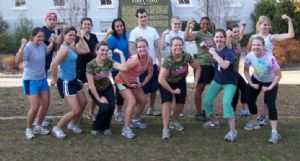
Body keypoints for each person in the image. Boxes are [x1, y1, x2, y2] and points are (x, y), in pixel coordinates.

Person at [246, 15, 294, 126]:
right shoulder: (253, 37)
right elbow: (249, 49)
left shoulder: (271, 37)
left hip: (270, 74)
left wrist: (289, 20)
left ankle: (263, 117)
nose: (266, 27)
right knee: (250, 97)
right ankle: (256, 118)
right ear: (259, 25)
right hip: (258, 73)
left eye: (268, 25)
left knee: (268, 100)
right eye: (264, 24)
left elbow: (290, 35)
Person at [15, 27, 55, 140]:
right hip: (30, 80)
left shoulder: (42, 45)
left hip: (42, 79)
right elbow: (17, 61)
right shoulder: (28, 47)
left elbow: (47, 50)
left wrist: (52, 42)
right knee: (35, 106)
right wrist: (22, 46)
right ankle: (28, 129)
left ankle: (38, 126)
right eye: (39, 36)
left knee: (46, 103)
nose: (41, 38)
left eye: (42, 36)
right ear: (32, 37)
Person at [50, 26, 90, 139]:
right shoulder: (64, 49)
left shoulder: (71, 46)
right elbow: (53, 65)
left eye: (74, 35)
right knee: (75, 110)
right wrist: (54, 78)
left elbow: (86, 50)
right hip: (66, 82)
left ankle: (72, 124)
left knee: (83, 102)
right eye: (70, 35)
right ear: (64, 35)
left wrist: (81, 37)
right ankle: (57, 128)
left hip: (74, 80)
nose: (72, 37)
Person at [158, 37, 200, 140]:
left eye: (180, 45)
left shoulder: (186, 56)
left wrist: (195, 81)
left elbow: (198, 67)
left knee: (180, 103)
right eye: (175, 45)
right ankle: (165, 129)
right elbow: (161, 79)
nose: (178, 47)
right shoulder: (168, 60)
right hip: (165, 82)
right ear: (171, 47)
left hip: (179, 81)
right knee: (167, 102)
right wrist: (171, 91)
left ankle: (174, 121)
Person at [243, 36, 282, 144]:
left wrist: (270, 87)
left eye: (258, 45)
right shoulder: (249, 56)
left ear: (263, 46)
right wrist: (251, 83)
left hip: (270, 81)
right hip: (256, 79)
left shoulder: (270, 58)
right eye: (254, 45)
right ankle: (255, 121)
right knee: (249, 100)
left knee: (270, 103)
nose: (256, 47)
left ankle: (275, 133)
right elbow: (246, 70)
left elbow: (278, 75)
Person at [202, 29, 238, 142]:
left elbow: (224, 66)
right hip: (217, 80)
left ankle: (233, 132)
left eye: (221, 37)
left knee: (226, 103)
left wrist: (213, 53)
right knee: (207, 101)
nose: (219, 39)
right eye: (216, 37)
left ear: (225, 39)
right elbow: (207, 47)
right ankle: (214, 121)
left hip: (230, 82)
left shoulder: (229, 53)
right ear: (214, 39)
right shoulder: (214, 49)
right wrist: (205, 46)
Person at [115, 38, 153, 139]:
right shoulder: (134, 61)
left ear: (147, 47)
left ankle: (135, 120)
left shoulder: (149, 59)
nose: (142, 49)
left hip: (132, 80)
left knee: (143, 100)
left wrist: (142, 83)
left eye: (144, 46)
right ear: (136, 49)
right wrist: (129, 84)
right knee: (131, 102)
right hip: (122, 81)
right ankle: (126, 128)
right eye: (139, 47)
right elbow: (121, 73)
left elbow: (150, 73)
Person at [86, 42, 127, 135]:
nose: (105, 52)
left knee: (112, 107)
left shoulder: (108, 61)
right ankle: (96, 126)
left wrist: (121, 53)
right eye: (102, 50)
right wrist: (99, 98)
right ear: (97, 51)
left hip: (107, 87)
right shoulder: (90, 65)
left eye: (106, 51)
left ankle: (106, 126)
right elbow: (91, 85)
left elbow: (124, 68)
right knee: (104, 108)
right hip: (95, 90)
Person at [129, 8, 161, 116]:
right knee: (141, 88)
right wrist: (136, 62)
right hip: (140, 66)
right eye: (140, 17)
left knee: (154, 88)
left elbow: (157, 47)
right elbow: (132, 49)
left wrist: (159, 62)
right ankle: (138, 112)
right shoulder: (134, 32)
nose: (143, 18)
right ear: (137, 18)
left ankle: (151, 108)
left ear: (147, 16)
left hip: (153, 64)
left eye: (144, 16)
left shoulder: (153, 30)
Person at [32, 11, 59, 127]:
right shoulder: (43, 31)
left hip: (45, 66)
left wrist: (57, 41)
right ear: (45, 20)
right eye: (50, 19)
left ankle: (40, 117)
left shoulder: (53, 32)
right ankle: (37, 119)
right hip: (38, 67)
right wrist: (55, 40)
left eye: (54, 19)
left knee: (43, 96)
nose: (52, 21)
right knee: (39, 97)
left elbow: (56, 48)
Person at [185, 17, 215, 121]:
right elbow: (187, 38)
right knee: (199, 89)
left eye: (207, 24)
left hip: (211, 65)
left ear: (209, 25)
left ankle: (206, 110)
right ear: (200, 24)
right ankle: (198, 113)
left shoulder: (211, 35)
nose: (205, 25)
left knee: (210, 89)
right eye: (203, 24)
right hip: (202, 65)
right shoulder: (199, 33)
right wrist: (188, 25)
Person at [102, 18, 130, 122]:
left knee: (128, 89)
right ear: (114, 28)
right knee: (120, 90)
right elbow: (102, 46)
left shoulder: (127, 36)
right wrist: (108, 33)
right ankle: (118, 112)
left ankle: (123, 110)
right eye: (117, 26)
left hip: (128, 68)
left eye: (121, 25)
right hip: (117, 69)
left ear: (123, 26)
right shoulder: (112, 39)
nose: (119, 28)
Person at [76, 18, 99, 121]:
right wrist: (81, 36)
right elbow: (79, 50)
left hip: (92, 68)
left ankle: (91, 112)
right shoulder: (76, 37)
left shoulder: (93, 37)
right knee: (78, 93)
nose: (87, 26)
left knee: (95, 91)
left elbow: (95, 51)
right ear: (81, 25)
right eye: (85, 24)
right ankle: (78, 114)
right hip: (80, 68)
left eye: (89, 24)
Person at [226, 22, 250, 116]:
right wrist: (228, 34)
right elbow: (228, 45)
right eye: (234, 32)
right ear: (230, 32)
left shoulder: (236, 40)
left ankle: (244, 110)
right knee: (235, 94)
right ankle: (231, 113)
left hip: (235, 72)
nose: (236, 33)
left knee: (244, 88)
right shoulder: (229, 42)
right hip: (230, 72)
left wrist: (243, 26)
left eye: (237, 31)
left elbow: (241, 35)